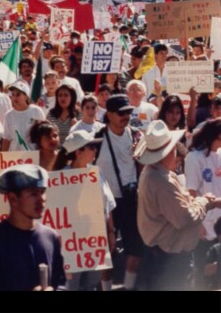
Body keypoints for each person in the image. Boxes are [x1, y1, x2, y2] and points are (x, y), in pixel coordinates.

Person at [135, 120, 221, 290]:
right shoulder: (160, 180)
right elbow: (185, 218)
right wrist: (206, 202)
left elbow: (181, 205)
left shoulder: (157, 173)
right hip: (168, 258)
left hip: (164, 254)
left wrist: (202, 202)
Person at [0, 164, 66, 291]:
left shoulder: (51, 237)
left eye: (42, 192)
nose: (41, 199)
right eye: (33, 194)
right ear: (13, 198)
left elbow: (61, 283)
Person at [55, 130, 117, 290]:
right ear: (78, 152)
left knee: (91, 283)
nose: (95, 150)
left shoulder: (97, 173)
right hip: (71, 245)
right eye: (91, 147)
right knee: (72, 286)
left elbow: (107, 205)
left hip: (94, 241)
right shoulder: (60, 178)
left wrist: (111, 232)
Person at [94, 94, 144, 290]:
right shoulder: (97, 138)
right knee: (107, 252)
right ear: (109, 115)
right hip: (107, 203)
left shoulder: (137, 136)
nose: (126, 116)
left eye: (128, 112)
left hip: (131, 200)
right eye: (121, 113)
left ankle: (129, 287)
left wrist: (142, 155)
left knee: (135, 250)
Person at [184, 118, 221, 289]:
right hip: (204, 223)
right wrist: (197, 224)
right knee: (202, 269)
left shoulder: (219, 154)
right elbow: (191, 192)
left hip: (219, 223)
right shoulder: (194, 157)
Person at [1, 80, 46, 152]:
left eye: (18, 94)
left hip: (33, 153)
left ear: (25, 96)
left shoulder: (36, 111)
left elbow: (44, 134)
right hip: (15, 155)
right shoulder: (8, 115)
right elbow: (6, 139)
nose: (15, 97)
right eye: (13, 95)